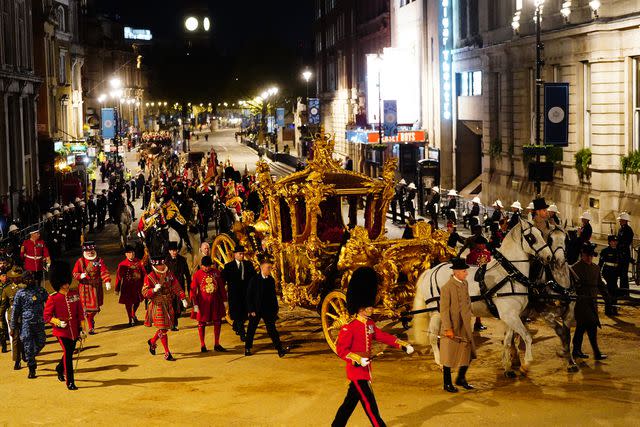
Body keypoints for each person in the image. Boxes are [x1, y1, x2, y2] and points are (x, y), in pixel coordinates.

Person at [332, 267, 414, 427]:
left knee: (349, 405)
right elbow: (341, 350)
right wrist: (357, 359)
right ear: (360, 308)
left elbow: (382, 336)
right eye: (369, 307)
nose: (372, 308)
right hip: (357, 372)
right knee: (370, 407)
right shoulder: (350, 326)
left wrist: (402, 345)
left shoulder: (369, 323)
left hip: (365, 371)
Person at [43, 261, 87, 390]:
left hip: (74, 330)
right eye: (64, 284)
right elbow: (47, 316)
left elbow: (80, 313)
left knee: (69, 352)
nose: (67, 285)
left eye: (67, 282)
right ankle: (70, 382)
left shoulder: (74, 295)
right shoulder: (53, 298)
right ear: (59, 284)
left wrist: (83, 329)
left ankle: (59, 368)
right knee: (68, 354)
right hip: (61, 332)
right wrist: (57, 322)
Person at [440, 258, 476, 393]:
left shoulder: (465, 284)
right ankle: (447, 383)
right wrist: (447, 328)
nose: (466, 273)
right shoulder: (446, 288)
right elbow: (444, 310)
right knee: (449, 355)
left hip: (465, 325)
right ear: (456, 272)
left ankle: (461, 378)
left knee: (467, 353)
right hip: (452, 326)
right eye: (464, 271)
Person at [143, 257, 188, 361]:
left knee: (165, 328)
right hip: (157, 304)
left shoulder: (169, 274)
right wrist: (153, 290)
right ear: (155, 266)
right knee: (163, 329)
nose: (162, 267)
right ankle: (167, 353)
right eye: (159, 265)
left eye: (163, 264)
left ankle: (153, 341)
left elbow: (176, 285)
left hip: (168, 304)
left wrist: (182, 297)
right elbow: (144, 292)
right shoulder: (150, 277)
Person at [571, 243, 609, 361]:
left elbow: (600, 284)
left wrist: (607, 296)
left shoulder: (596, 268)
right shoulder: (574, 268)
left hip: (593, 302)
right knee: (592, 325)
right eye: (587, 255)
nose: (589, 258)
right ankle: (596, 353)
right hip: (581, 303)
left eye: (591, 256)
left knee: (581, 328)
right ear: (582, 255)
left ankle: (576, 350)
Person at [245, 254, 287, 357]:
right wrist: (251, 309)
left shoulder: (271, 280)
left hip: (267, 310)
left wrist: (275, 309)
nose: (270, 270)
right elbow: (249, 295)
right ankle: (247, 348)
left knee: (272, 330)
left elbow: (273, 296)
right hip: (256, 309)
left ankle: (279, 349)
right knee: (251, 329)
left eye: (270, 268)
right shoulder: (254, 280)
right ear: (262, 268)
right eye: (268, 268)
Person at [10, 270, 49, 378]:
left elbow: (50, 302)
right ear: (23, 280)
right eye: (26, 279)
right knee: (27, 345)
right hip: (26, 324)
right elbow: (15, 311)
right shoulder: (20, 293)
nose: (29, 281)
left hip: (39, 322)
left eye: (30, 278)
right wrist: (13, 327)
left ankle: (29, 355)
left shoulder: (40, 290)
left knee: (42, 342)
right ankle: (32, 369)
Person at [190, 256, 228, 352]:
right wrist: (195, 304)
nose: (207, 268)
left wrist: (225, 300)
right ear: (201, 265)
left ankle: (217, 343)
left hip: (216, 301)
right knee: (201, 323)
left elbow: (221, 288)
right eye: (205, 266)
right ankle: (203, 345)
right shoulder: (197, 275)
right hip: (202, 303)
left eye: (208, 266)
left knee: (217, 322)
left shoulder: (216, 273)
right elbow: (193, 290)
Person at [72, 242, 111, 334]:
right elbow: (75, 273)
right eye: (88, 251)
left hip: (96, 288)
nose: (90, 252)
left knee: (95, 308)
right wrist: (81, 275)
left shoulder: (99, 260)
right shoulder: (80, 261)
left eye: (91, 250)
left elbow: (103, 271)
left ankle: (91, 319)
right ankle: (90, 326)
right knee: (88, 309)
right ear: (85, 251)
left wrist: (107, 281)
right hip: (85, 287)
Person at [222, 245, 256, 342]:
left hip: (246, 294)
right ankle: (242, 333)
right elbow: (223, 279)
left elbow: (253, 278)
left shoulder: (248, 264)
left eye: (243, 254)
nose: (242, 256)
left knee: (244, 314)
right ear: (235, 254)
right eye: (240, 254)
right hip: (234, 295)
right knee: (238, 315)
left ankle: (236, 326)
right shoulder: (228, 266)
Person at [115, 245, 146, 327]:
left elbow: (144, 274)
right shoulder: (122, 264)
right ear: (126, 254)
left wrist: (146, 284)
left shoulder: (139, 262)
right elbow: (118, 277)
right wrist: (117, 288)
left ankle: (133, 314)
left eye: (132, 252)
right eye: (129, 253)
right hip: (127, 288)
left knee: (137, 302)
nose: (131, 254)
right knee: (128, 304)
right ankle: (131, 318)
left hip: (137, 287)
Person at [1, 267, 26, 367]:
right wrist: (0, 317)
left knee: (25, 337)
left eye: (19, 277)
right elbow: (3, 305)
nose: (17, 279)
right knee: (15, 338)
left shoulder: (25, 287)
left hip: (24, 315)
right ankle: (17, 360)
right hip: (13, 316)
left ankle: (25, 354)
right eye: (15, 277)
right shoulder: (7, 289)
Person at [166, 241, 191, 330]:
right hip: (169, 287)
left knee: (179, 307)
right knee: (171, 305)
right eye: (172, 250)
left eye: (175, 250)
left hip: (180, 286)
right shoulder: (165, 261)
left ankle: (174, 320)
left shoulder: (182, 260)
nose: (174, 252)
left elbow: (187, 274)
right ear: (169, 251)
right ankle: (173, 323)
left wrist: (189, 287)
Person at [599, 236, 620, 316]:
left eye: (615, 241)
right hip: (608, 272)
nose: (614, 243)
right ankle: (609, 310)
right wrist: (598, 272)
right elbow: (601, 263)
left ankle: (613, 309)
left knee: (613, 290)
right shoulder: (605, 251)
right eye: (612, 241)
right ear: (609, 242)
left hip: (615, 272)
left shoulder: (618, 251)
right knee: (612, 289)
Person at [616, 212, 634, 298]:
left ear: (625, 221)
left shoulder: (628, 230)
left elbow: (627, 242)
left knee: (624, 274)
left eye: (621, 220)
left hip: (625, 253)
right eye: (620, 220)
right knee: (621, 273)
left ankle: (625, 292)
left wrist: (620, 245)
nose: (620, 222)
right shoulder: (620, 229)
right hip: (620, 253)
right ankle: (621, 291)